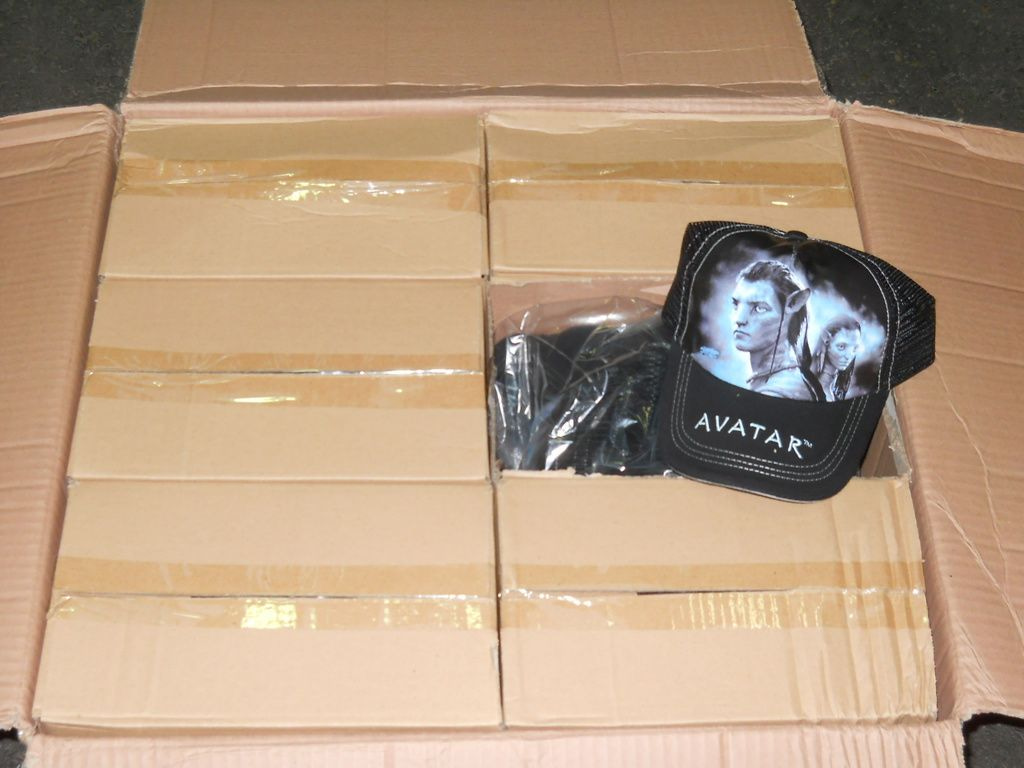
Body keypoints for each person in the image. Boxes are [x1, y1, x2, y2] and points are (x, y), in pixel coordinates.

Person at [728, 260, 824, 400]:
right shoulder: (780, 378)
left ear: (793, 304)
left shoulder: (777, 392)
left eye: (759, 308)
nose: (739, 319)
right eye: (736, 304)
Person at [812, 316, 862, 401]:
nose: (848, 356)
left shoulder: (837, 391)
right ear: (826, 340)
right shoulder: (809, 387)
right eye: (841, 346)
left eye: (854, 349)